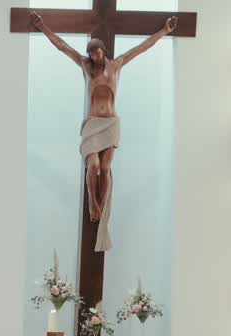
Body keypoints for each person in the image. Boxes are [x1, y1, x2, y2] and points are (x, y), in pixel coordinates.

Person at [30, 11, 177, 239]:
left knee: (106, 168)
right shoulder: (85, 67)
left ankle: (101, 204)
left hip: (111, 123)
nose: (93, 56)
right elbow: (62, 45)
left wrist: (164, 31)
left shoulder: (116, 65)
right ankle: (92, 203)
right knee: (93, 165)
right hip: (92, 124)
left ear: (103, 51)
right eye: (90, 53)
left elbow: (142, 47)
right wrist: (42, 27)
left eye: (96, 52)